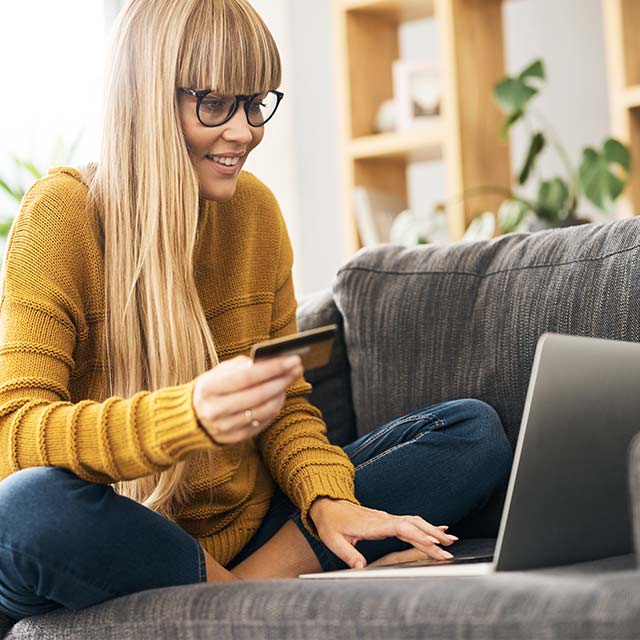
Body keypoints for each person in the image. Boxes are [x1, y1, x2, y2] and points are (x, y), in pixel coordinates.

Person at [0, 0, 513, 624]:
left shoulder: (256, 215)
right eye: (214, 103)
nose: (244, 131)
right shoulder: (61, 216)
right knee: (28, 508)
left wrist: (327, 500)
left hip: (248, 531)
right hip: (119, 533)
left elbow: (288, 404)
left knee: (471, 432)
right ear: (146, 99)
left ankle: (238, 595)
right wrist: (185, 416)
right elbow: (15, 435)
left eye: (256, 102)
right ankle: (256, 603)